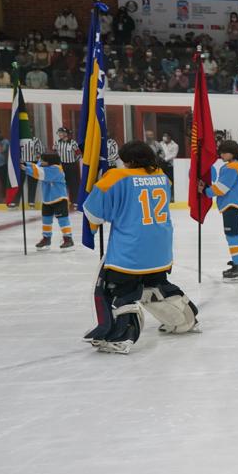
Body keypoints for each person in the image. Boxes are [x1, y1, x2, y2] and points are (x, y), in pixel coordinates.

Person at [82, 141, 199, 354]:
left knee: (120, 290)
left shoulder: (116, 178)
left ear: (128, 160)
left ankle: (122, 337)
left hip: (130, 249)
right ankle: (186, 319)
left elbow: (93, 214)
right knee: (155, 285)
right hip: (159, 248)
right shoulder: (162, 176)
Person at [198, 139, 238, 281]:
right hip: (233, 205)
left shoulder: (232, 167)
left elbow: (221, 188)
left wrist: (205, 192)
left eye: (223, 152)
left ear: (231, 153)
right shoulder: (235, 166)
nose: (220, 154)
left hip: (231, 205)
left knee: (233, 236)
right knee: (234, 235)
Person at [21, 152, 74, 250]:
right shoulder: (45, 166)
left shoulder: (56, 169)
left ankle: (68, 238)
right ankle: (46, 238)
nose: (41, 162)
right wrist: (25, 163)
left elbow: (41, 173)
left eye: (43, 160)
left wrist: (26, 169)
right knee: (46, 220)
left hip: (59, 199)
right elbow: (36, 166)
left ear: (50, 161)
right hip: (47, 200)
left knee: (63, 220)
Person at [53, 127, 81, 205]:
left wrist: (74, 162)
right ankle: (64, 200)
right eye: (59, 133)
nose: (59, 134)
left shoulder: (73, 143)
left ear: (66, 134)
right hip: (62, 166)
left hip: (71, 165)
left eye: (61, 132)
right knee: (62, 183)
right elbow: (54, 153)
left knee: (73, 183)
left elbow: (78, 154)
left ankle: (75, 200)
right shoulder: (57, 143)